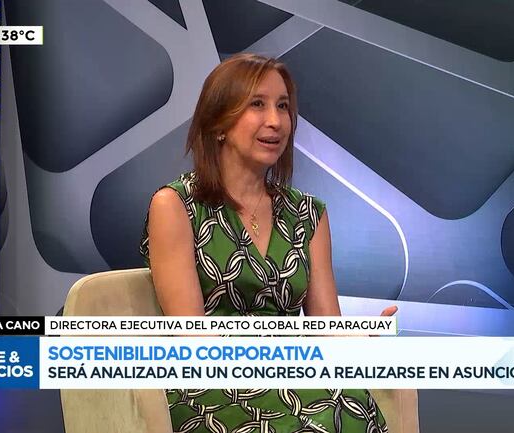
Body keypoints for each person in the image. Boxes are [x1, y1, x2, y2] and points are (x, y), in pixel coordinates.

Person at [140, 53, 396, 433]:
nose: (275, 121)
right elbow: (191, 337)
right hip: (213, 384)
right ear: (219, 123)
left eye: (283, 107)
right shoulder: (176, 205)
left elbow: (327, 328)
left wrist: (359, 337)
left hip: (294, 377)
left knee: (350, 406)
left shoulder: (308, 214)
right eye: (257, 105)